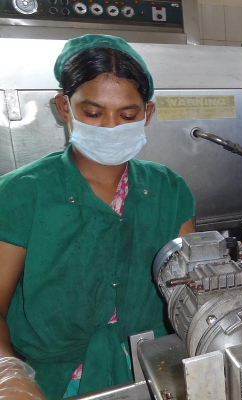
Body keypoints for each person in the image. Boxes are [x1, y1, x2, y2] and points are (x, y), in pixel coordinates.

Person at [0, 35, 195, 399]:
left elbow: (190, 292)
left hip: (155, 374)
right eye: (92, 112)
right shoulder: (21, 194)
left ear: (147, 114)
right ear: (63, 107)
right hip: (49, 382)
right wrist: (8, 373)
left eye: (127, 114)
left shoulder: (168, 190)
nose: (109, 127)